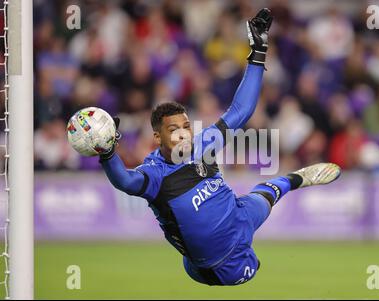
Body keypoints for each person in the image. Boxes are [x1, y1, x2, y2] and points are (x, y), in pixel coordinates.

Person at [99, 9, 341, 286]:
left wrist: (259, 51)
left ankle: (297, 178)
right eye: (173, 129)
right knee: (246, 269)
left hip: (240, 218)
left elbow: (242, 110)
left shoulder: (204, 144)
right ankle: (288, 184)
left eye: (186, 126)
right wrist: (108, 153)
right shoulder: (154, 174)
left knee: (271, 190)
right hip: (211, 266)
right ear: (157, 137)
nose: (183, 134)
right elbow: (125, 181)